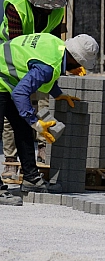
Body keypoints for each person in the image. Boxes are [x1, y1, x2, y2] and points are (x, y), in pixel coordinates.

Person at [0, 33, 97, 206]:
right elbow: (21, 92)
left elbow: (38, 71)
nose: (78, 68)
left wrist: (59, 94)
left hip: (5, 79)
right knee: (21, 124)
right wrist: (36, 123)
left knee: (22, 130)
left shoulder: (55, 46)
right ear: (74, 59)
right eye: (79, 64)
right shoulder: (50, 65)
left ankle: (31, 179)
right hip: (3, 80)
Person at [1, 0, 67, 181]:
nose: (48, 10)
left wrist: (56, 89)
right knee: (13, 116)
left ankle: (40, 154)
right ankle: (11, 163)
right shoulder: (16, 8)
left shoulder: (57, 11)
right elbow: (16, 45)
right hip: (11, 61)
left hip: (37, 62)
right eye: (44, 6)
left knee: (42, 107)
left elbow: (54, 40)